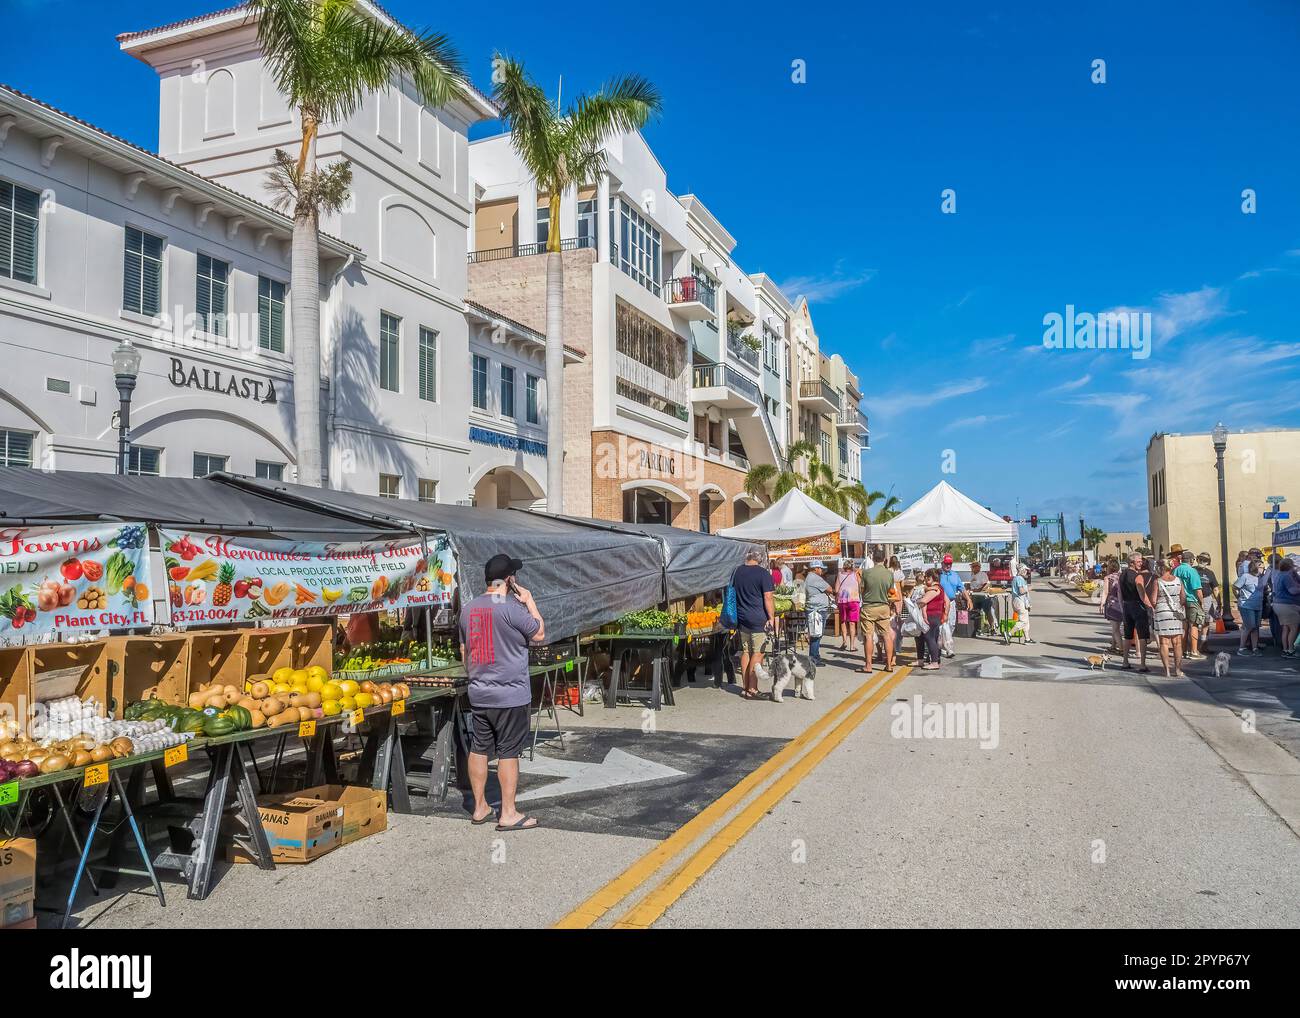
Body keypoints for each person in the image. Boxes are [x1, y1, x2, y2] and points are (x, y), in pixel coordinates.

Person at [460, 553, 545, 832]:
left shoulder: (469, 609)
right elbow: (539, 634)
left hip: (479, 693)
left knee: (479, 747)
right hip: (510, 695)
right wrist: (529, 601)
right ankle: (507, 813)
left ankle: (479, 807)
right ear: (509, 579)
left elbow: (464, 653)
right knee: (508, 751)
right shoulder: (511, 607)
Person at [731, 550, 776, 700]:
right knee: (758, 652)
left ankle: (745, 688)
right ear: (760, 559)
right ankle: (752, 688)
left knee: (746, 652)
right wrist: (771, 617)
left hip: (742, 618)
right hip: (758, 619)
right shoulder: (763, 574)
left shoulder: (737, 572)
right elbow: (768, 597)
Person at [859, 555, 896, 672]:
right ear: (884, 560)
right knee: (886, 635)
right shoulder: (889, 574)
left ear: (873, 559)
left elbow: (862, 590)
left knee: (868, 636)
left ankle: (868, 666)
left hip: (869, 607)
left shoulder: (866, 573)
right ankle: (889, 665)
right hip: (883, 607)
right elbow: (891, 591)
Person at [1151, 558, 1187, 677]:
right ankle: (1177, 669)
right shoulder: (1178, 580)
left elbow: (1153, 600)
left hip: (1162, 613)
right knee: (1177, 642)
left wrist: (1158, 606)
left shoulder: (1158, 581)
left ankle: (1166, 670)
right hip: (1175, 613)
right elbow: (1183, 598)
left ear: (1161, 568)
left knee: (1164, 643)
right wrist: (1179, 605)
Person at [1118, 552, 1154, 672]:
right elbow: (1142, 594)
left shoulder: (1122, 575)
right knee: (1143, 636)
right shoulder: (1138, 577)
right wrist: (1150, 606)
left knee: (1127, 635)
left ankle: (1125, 662)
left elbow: (1119, 593)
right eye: (1138, 561)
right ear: (1132, 563)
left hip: (1126, 606)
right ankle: (1142, 664)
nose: (1141, 563)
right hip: (1138, 606)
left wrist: (1122, 606)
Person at [1170, 545, 1205, 659]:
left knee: (1183, 627)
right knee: (1193, 625)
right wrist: (1202, 602)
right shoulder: (1192, 571)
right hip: (1191, 600)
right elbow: (1197, 589)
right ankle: (1194, 651)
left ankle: (1183, 650)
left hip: (1179, 601)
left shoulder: (1175, 570)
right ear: (1191, 560)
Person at [803, 559, 832, 666]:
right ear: (815, 568)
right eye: (820, 568)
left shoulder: (810, 577)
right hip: (817, 609)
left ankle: (815, 656)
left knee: (816, 634)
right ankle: (814, 659)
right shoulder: (815, 578)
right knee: (816, 635)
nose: (821, 570)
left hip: (814, 608)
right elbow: (830, 589)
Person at [917, 569, 947, 669]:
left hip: (931, 615)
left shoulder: (934, 590)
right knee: (930, 638)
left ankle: (934, 662)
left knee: (930, 638)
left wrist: (917, 602)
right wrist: (945, 614)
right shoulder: (939, 588)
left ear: (931, 578)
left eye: (927, 577)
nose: (925, 579)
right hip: (936, 615)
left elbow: (923, 601)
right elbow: (947, 602)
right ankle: (931, 660)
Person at [1270, 557, 1300, 657]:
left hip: (1278, 605)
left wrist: (1295, 574)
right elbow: (1293, 591)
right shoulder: (1287, 576)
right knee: (1293, 628)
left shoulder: (1279, 574)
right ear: (1290, 566)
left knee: (1286, 628)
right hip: (1287, 605)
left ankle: (1285, 649)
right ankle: (1291, 650)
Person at [937, 554, 966, 657]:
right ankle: (945, 647)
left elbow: (961, 588)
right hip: (940, 603)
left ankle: (945, 645)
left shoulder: (955, 575)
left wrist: (969, 599)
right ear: (942, 563)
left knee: (951, 624)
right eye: (946, 563)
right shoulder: (938, 574)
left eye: (950, 563)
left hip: (952, 603)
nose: (948, 565)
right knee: (941, 625)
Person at [1235, 559, 1264, 656]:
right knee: (1249, 626)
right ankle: (1241, 648)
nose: (1263, 569)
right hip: (1247, 605)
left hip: (1258, 605)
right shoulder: (1245, 576)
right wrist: (1239, 597)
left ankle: (1255, 648)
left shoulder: (1260, 578)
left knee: (1255, 627)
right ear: (1255, 567)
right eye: (1261, 567)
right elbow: (1235, 587)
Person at [835, 558, 861, 652]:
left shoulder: (839, 574)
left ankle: (844, 642)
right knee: (852, 623)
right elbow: (861, 585)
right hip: (853, 600)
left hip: (842, 601)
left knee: (843, 621)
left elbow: (836, 589)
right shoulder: (855, 574)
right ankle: (852, 646)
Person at [1194, 552, 1219, 646]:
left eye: (1205, 560)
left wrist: (1219, 602)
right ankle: (1193, 645)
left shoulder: (1210, 573)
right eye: (1200, 559)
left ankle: (1203, 643)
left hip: (1206, 599)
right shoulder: (1192, 570)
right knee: (1194, 622)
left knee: (1207, 621)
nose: (1202, 561)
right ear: (1197, 560)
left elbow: (1215, 588)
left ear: (1208, 562)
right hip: (1194, 599)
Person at [1099, 559, 1124, 653]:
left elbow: (1105, 592)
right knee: (1116, 626)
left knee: (1115, 628)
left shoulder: (1108, 578)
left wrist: (1102, 603)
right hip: (1122, 604)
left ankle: (1121, 649)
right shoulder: (1122, 576)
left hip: (1112, 603)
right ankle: (1113, 646)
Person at [967, 560, 995, 635]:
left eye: (973, 566)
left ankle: (992, 628)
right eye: (972, 566)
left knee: (987, 612)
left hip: (983, 596)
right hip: (975, 596)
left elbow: (986, 584)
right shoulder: (972, 575)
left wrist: (979, 589)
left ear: (978, 567)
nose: (972, 568)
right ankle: (977, 628)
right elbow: (972, 585)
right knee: (976, 612)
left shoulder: (982, 574)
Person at [1010, 565, 1034, 643]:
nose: (1026, 572)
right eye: (1025, 570)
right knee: (1023, 621)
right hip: (1020, 602)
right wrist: (1028, 588)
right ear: (1022, 570)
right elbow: (1021, 591)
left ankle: (1027, 639)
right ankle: (1009, 634)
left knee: (1026, 621)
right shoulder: (1019, 579)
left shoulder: (1015, 578)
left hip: (1017, 601)